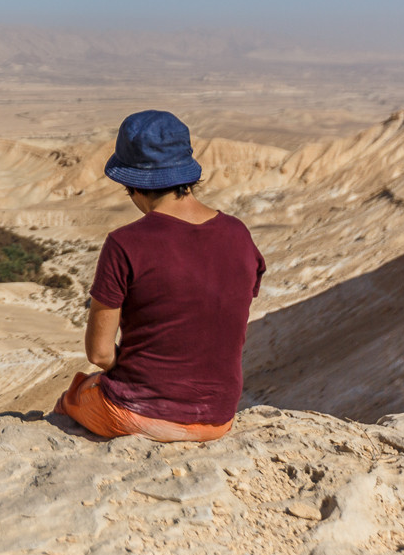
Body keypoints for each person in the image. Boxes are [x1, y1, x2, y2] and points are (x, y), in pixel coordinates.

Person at [53, 110, 265, 442]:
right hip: (218, 419)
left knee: (74, 396)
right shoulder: (239, 234)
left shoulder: (125, 243)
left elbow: (100, 354)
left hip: (137, 414)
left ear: (132, 184)